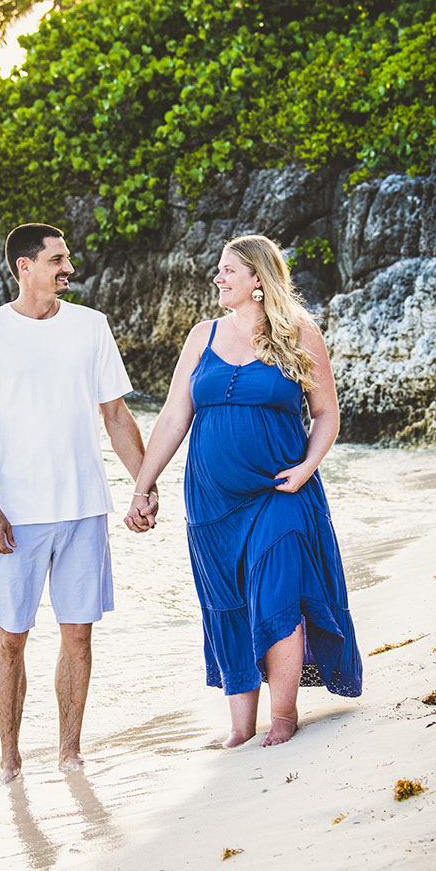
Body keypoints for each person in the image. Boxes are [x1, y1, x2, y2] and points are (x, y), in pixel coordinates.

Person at [128, 234, 362, 748]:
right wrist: (142, 486)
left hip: (281, 490)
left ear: (258, 278)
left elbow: (326, 413)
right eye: (219, 270)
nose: (219, 278)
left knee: (277, 594)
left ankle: (282, 715)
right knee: (228, 602)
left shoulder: (299, 332)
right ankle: (239, 726)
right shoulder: (201, 335)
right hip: (211, 502)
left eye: (228, 270)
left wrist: (307, 467)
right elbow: (172, 417)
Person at [0, 223, 149, 781]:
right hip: (16, 515)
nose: (68, 268)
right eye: (57, 260)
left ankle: (69, 753)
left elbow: (116, 415)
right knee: (11, 639)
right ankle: (10, 759)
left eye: (66, 259)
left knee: (78, 632)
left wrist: (144, 484)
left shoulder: (91, 327)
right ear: (24, 267)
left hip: (85, 507)